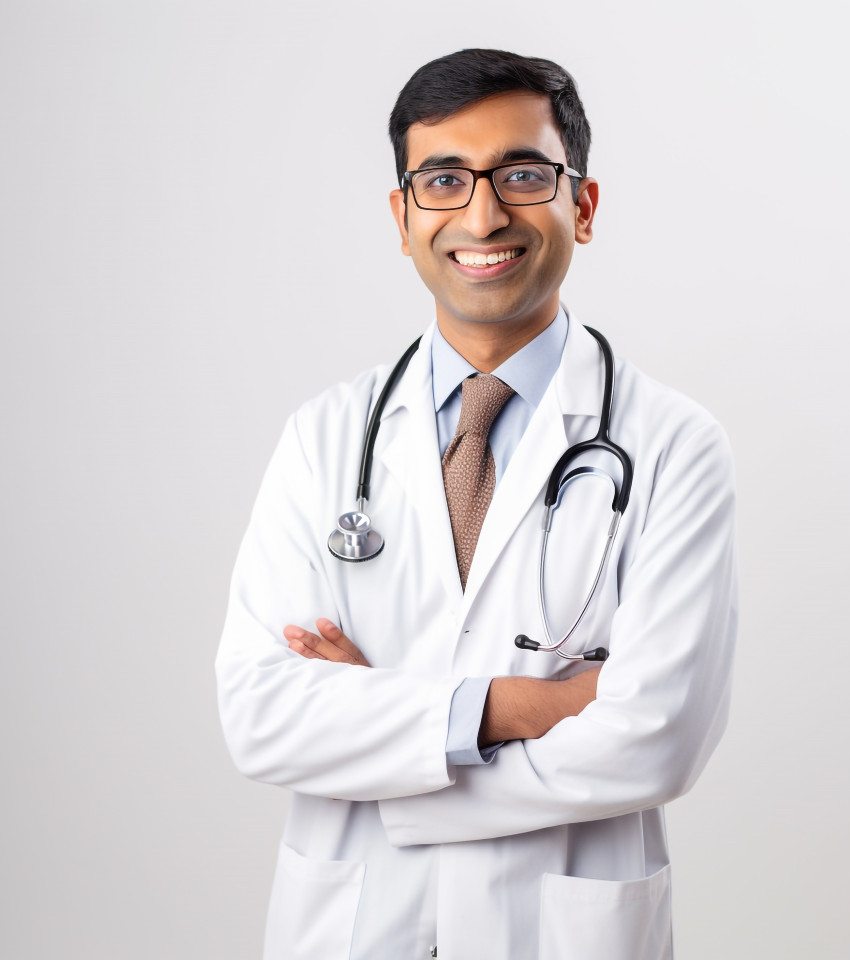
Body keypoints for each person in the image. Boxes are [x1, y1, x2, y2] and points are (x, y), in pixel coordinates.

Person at [216, 48, 738, 960]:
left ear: (582, 204)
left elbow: (656, 738)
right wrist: (525, 705)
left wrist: (386, 737)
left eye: (523, 174)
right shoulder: (324, 438)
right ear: (404, 215)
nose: (483, 213)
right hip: (352, 928)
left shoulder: (673, 444)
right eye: (444, 179)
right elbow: (262, 715)